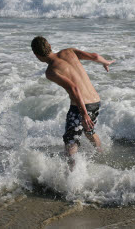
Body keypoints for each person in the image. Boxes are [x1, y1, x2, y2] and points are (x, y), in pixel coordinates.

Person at [31, 36, 115, 170]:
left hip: (81, 106)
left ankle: (73, 175)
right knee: (89, 131)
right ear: (50, 45)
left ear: (36, 55)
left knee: (70, 140)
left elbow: (74, 88)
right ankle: (101, 157)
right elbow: (94, 56)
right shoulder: (68, 52)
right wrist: (105, 62)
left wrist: (84, 114)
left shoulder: (51, 71)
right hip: (95, 101)